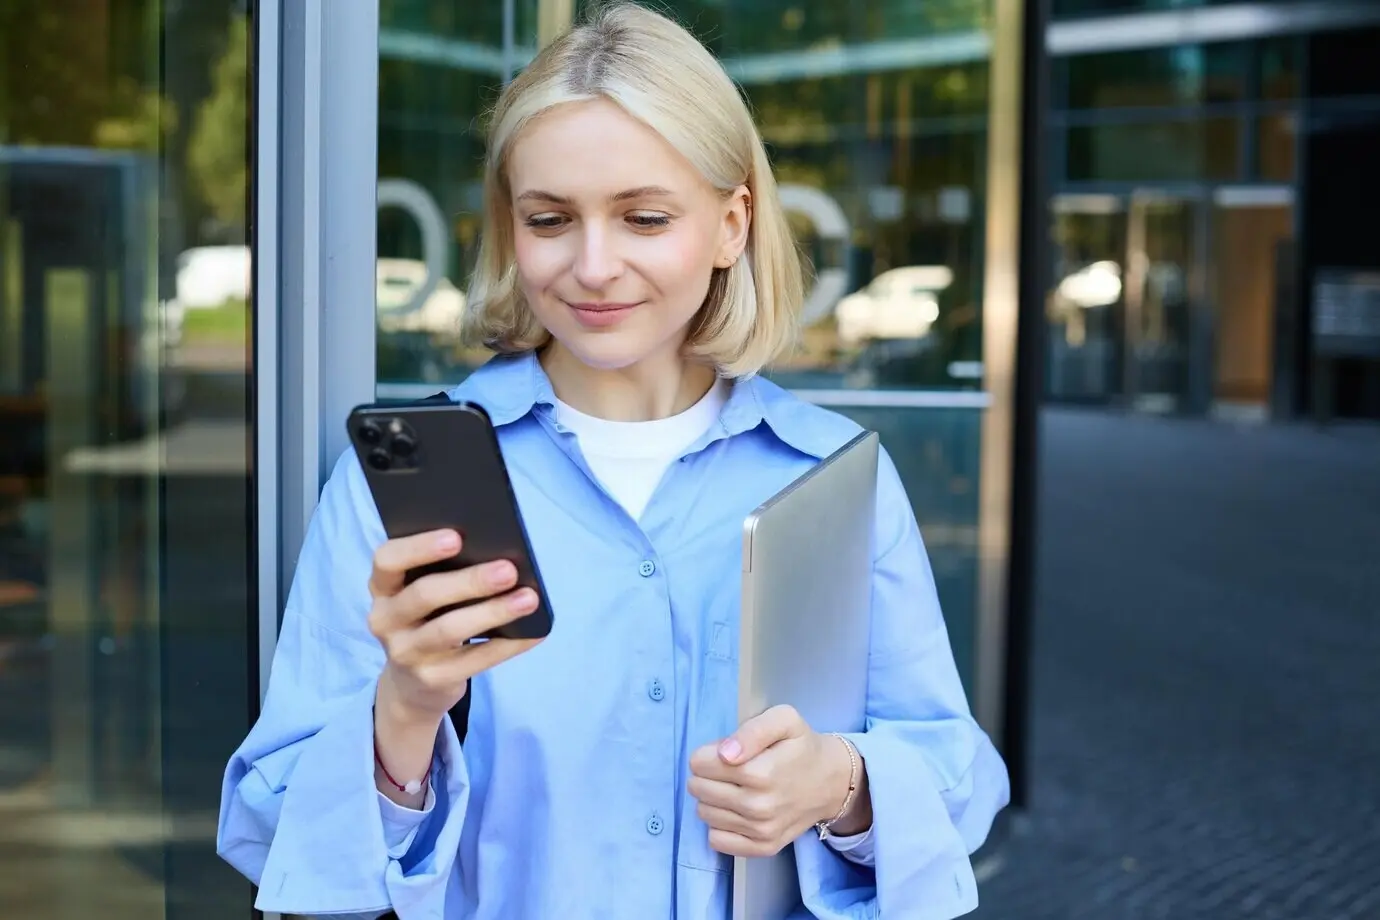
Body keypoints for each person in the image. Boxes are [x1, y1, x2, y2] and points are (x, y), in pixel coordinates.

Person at [216, 4, 1009, 918]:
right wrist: (404, 709)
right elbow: (267, 831)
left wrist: (841, 783)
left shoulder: (834, 478)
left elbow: (962, 783)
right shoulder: (394, 487)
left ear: (731, 225)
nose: (594, 265)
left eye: (644, 217)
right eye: (550, 218)